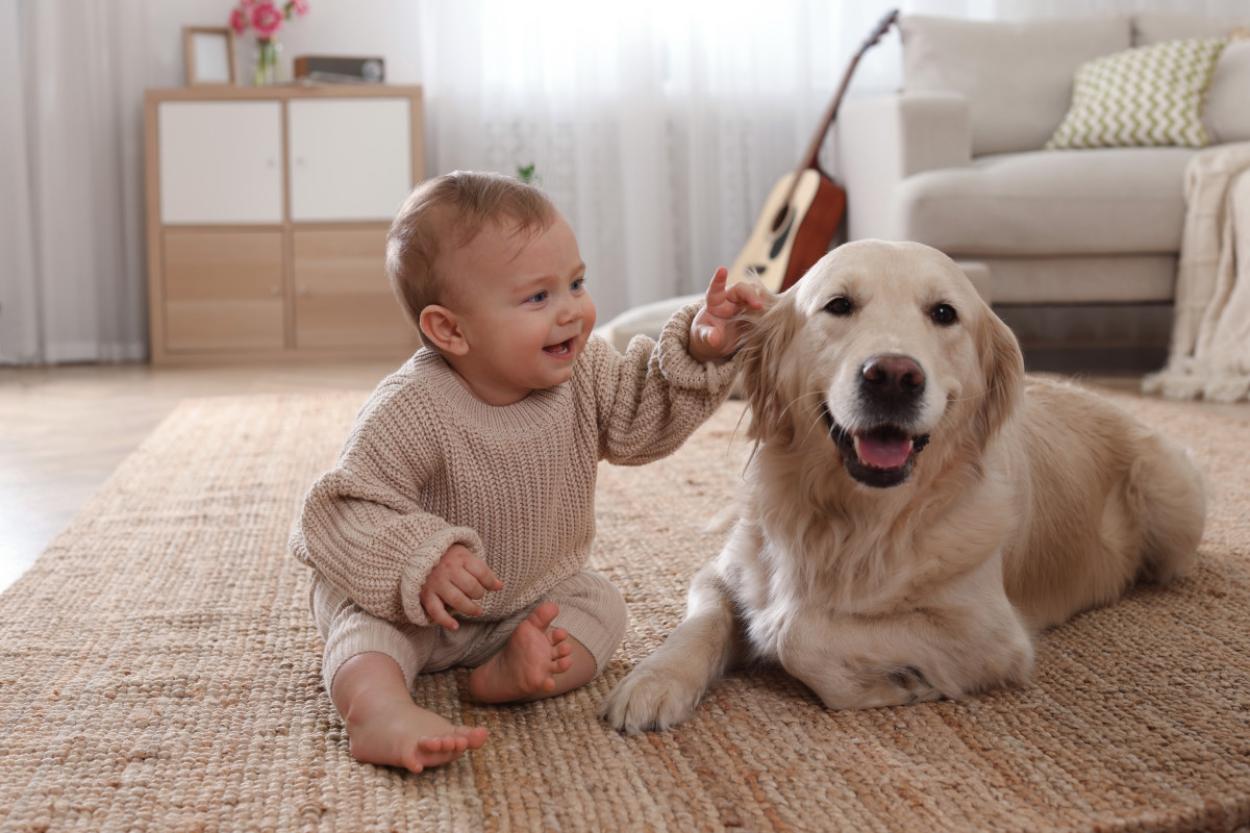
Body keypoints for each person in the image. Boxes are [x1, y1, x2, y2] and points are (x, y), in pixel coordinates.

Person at [290, 170, 763, 774]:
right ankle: (377, 714)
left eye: (576, 283)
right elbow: (340, 510)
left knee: (602, 609)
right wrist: (420, 559)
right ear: (450, 330)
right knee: (364, 636)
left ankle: (505, 676)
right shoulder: (413, 406)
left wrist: (701, 352)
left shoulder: (585, 373)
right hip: (414, 606)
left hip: (528, 598)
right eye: (538, 298)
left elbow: (643, 419)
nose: (572, 311)